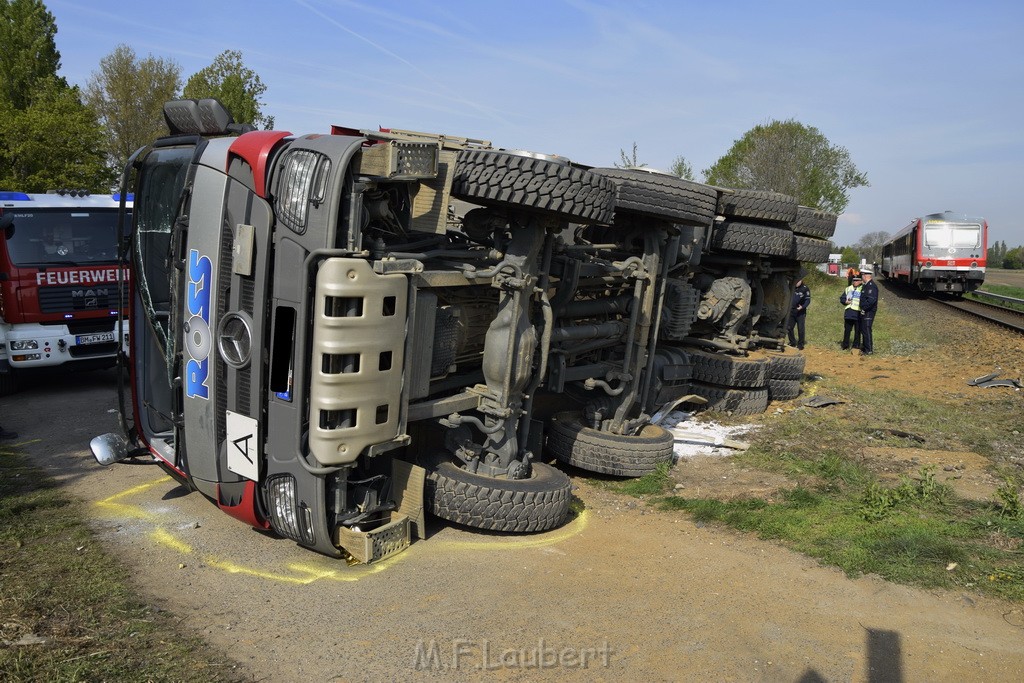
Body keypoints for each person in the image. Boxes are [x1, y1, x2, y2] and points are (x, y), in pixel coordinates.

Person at [787, 274, 811, 350]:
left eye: (798, 281)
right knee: (789, 327)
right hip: (791, 310)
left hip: (800, 312)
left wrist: (802, 307)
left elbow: (808, 300)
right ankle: (792, 342)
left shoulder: (805, 289)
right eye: (796, 281)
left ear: (801, 281)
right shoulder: (790, 287)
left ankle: (801, 344)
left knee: (800, 328)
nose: (797, 282)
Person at [858, 266, 879, 355]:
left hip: (869, 311)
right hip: (865, 310)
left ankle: (869, 350)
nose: (861, 277)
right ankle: (865, 347)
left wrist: (864, 308)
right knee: (863, 329)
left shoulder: (871, 286)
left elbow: (871, 300)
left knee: (866, 329)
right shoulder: (866, 286)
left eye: (862, 275)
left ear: (866, 275)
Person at [839, 274, 863, 350]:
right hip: (849, 312)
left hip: (858, 312)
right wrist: (845, 301)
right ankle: (845, 345)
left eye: (857, 280)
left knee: (857, 331)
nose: (855, 282)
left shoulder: (862, 289)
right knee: (847, 330)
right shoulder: (848, 288)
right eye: (854, 280)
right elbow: (842, 298)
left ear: (860, 281)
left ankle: (856, 346)